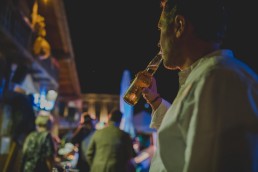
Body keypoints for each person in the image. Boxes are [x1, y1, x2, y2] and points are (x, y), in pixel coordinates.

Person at [141, 0, 258, 172]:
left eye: (160, 28)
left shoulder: (218, 81)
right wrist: (156, 101)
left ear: (179, 26)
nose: (159, 41)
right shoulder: (208, 77)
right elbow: (184, 131)